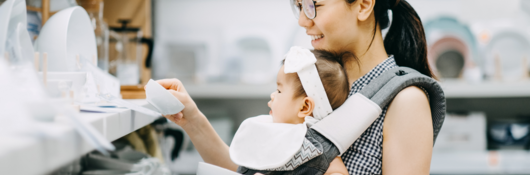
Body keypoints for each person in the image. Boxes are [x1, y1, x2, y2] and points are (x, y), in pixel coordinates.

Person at [158, 0, 435, 174]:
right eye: (299, 6)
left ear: (363, 5)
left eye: (314, 5)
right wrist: (192, 119)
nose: (303, 20)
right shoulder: (316, 83)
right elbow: (257, 169)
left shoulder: (405, 100)